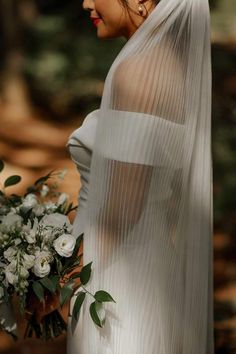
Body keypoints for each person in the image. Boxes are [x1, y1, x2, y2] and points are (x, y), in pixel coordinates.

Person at [67, 0, 214, 353]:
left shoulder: (137, 72)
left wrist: (60, 276)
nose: (86, 2)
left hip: (116, 279)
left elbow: (122, 211)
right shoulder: (171, 66)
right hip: (147, 267)